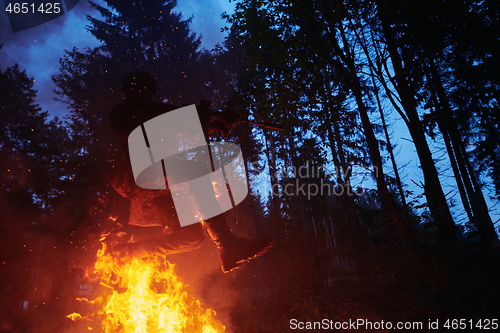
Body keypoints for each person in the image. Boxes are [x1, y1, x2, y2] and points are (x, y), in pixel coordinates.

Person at [108, 71, 276, 272]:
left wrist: (213, 125)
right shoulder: (123, 113)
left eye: (143, 92)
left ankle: (124, 253)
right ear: (130, 92)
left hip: (162, 189)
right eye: (138, 91)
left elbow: (178, 128)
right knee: (194, 171)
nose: (141, 95)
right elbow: (150, 123)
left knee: (192, 237)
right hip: (140, 180)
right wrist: (199, 115)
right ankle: (227, 244)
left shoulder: (153, 114)